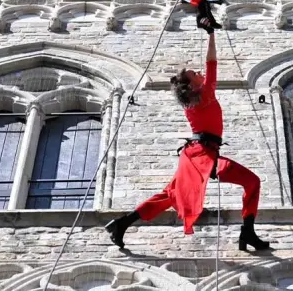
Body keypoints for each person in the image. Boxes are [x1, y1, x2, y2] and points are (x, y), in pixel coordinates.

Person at [105, 31, 270, 252]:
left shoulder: (196, 100)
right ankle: (247, 232)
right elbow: (212, 62)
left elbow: (208, 67)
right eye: (195, 73)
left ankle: (121, 223)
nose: (201, 73)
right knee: (252, 181)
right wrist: (211, 34)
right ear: (192, 86)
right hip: (202, 154)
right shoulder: (205, 96)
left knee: (170, 194)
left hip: (196, 154)